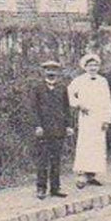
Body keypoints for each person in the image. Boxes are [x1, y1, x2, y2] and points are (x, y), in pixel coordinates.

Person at [67, 52, 111, 188]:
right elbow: (68, 94)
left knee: (97, 146)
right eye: (90, 65)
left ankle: (92, 174)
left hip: (99, 118)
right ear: (85, 67)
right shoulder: (79, 80)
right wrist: (79, 104)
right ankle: (82, 174)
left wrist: (106, 120)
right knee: (85, 144)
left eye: (95, 65)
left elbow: (107, 101)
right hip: (86, 118)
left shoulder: (103, 81)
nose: (93, 68)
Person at [31, 59, 72, 199]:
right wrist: (37, 125)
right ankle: (41, 188)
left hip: (59, 129)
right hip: (43, 130)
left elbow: (66, 108)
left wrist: (68, 125)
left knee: (56, 160)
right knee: (43, 160)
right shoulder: (37, 88)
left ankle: (55, 188)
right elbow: (34, 109)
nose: (51, 72)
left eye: (54, 70)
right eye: (48, 70)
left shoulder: (62, 88)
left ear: (58, 72)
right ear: (44, 72)